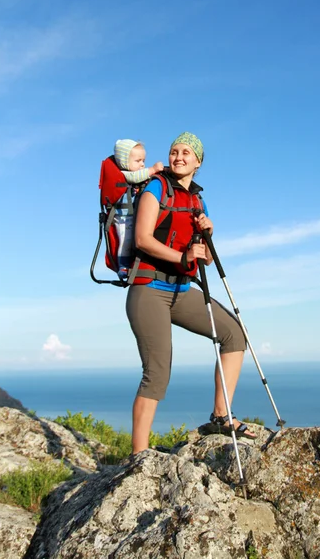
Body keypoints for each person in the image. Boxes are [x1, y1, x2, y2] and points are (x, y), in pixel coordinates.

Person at [126, 132, 256, 454]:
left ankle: (221, 416)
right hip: (148, 290)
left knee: (234, 335)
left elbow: (205, 259)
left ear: (198, 162)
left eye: (186, 152)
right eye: (174, 151)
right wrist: (182, 258)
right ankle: (138, 457)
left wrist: (208, 236)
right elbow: (142, 239)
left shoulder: (198, 200)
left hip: (181, 291)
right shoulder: (155, 188)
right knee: (157, 373)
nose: (178, 157)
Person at [112, 139, 164, 276]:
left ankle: (134, 263)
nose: (142, 164)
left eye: (143, 161)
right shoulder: (124, 174)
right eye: (138, 161)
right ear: (124, 163)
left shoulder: (135, 174)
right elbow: (135, 177)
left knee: (133, 240)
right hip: (123, 217)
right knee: (125, 241)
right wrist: (152, 170)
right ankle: (122, 266)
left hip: (131, 215)